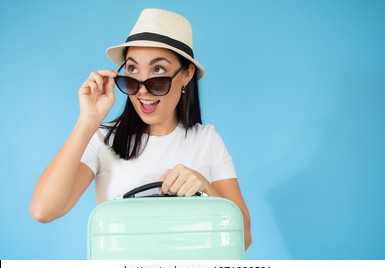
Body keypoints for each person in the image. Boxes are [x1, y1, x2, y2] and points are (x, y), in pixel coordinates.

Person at [30, 8, 252, 249]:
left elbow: (243, 240)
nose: (143, 89)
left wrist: (205, 188)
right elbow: (43, 210)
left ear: (187, 74)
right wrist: (87, 121)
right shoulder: (104, 139)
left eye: (158, 71)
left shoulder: (207, 140)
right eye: (132, 71)